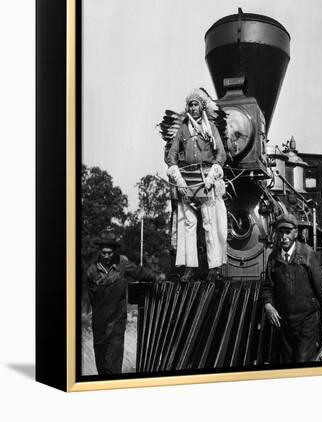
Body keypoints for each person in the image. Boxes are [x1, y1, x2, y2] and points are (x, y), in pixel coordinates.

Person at [166, 89, 227, 281]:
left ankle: (214, 268)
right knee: (188, 225)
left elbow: (221, 154)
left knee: (210, 224)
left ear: (202, 107)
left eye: (196, 105)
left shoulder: (211, 128)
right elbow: (172, 156)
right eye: (190, 105)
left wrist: (212, 176)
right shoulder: (183, 129)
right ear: (187, 108)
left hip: (206, 180)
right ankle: (189, 268)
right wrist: (179, 180)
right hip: (187, 181)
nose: (193, 108)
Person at [87, 231, 164, 375]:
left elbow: (139, 272)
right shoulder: (92, 271)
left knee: (113, 366)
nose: (106, 256)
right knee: (101, 365)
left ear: (114, 251)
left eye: (109, 253)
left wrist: (156, 277)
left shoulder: (122, 263)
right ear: (100, 251)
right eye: (103, 253)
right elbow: (92, 299)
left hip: (117, 323)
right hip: (99, 324)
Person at [261, 214, 322, 363]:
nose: (284, 236)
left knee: (302, 361)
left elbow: (321, 288)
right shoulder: (273, 258)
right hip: (284, 324)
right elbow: (267, 287)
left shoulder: (307, 254)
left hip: (307, 322)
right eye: (281, 232)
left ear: (295, 233)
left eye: (288, 232)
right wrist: (268, 305)